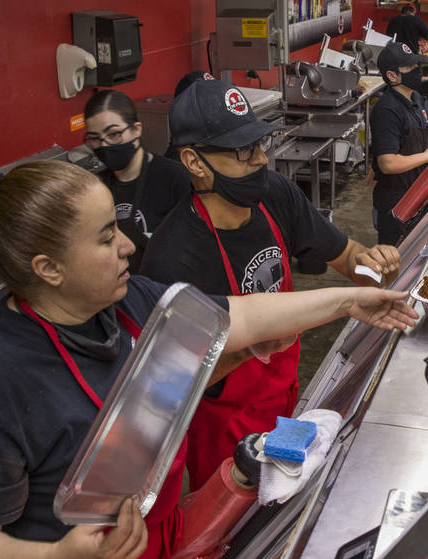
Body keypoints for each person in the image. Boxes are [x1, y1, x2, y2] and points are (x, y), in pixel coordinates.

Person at [0, 160, 416, 559]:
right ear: (49, 269)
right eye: (107, 237)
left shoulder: (130, 304)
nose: (129, 244)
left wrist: (346, 301)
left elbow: (236, 316)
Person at [142, 79, 401, 489]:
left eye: (261, 144)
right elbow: (167, 390)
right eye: (245, 151)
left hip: (284, 398)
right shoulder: (172, 258)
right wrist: (251, 348)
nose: (262, 160)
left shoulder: (274, 195)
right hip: (226, 430)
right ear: (194, 162)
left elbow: (350, 260)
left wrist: (376, 268)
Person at [82, 89, 190, 273]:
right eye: (94, 139)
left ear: (136, 129)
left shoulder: (174, 177)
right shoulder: (98, 188)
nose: (104, 145)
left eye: (114, 134)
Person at [369, 41, 428, 246]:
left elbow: (422, 127)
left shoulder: (415, 96)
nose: (416, 70)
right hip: (395, 201)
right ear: (392, 76)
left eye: (416, 65)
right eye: (409, 67)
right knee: (393, 263)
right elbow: (388, 163)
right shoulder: (386, 111)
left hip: (416, 190)